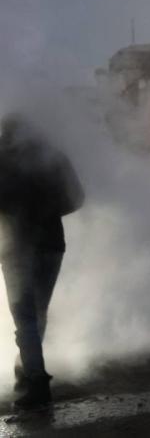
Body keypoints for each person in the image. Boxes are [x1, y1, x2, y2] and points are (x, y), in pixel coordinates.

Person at [0, 113, 84, 409]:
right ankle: (26, 370)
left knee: (25, 316)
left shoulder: (2, 159)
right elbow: (77, 198)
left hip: (17, 248)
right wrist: (47, 212)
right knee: (37, 313)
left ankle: (35, 382)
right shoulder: (53, 156)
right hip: (51, 244)